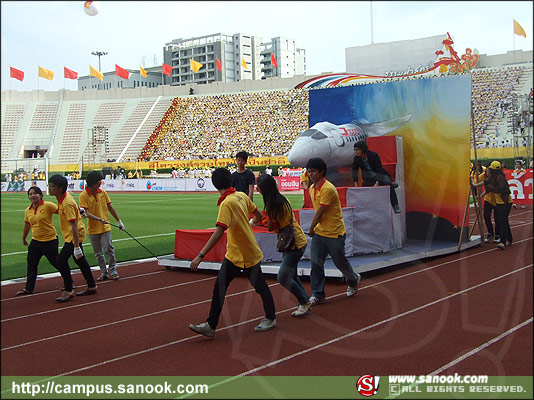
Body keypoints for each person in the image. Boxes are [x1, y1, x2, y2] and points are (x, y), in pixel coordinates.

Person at [188, 168, 277, 338]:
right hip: (237, 253)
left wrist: (200, 255)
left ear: (215, 185)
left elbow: (219, 232)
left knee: (259, 286)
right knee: (221, 287)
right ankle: (211, 325)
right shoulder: (242, 196)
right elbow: (258, 215)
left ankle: (271, 318)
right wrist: (250, 223)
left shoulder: (227, 203)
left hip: (245, 253)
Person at [305, 157, 361, 304]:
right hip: (319, 233)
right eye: (309, 171)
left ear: (322, 171)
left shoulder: (328, 189)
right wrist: (315, 230)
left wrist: (311, 228)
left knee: (340, 262)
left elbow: (320, 212)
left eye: (313, 171)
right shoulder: (312, 188)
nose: (310, 174)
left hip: (334, 233)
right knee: (316, 264)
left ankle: (353, 279)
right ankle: (318, 294)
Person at [256, 174, 311, 317]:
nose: (258, 190)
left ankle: (304, 301)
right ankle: (304, 301)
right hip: (296, 239)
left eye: (259, 187)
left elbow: (270, 227)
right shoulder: (280, 199)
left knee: (282, 276)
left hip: (293, 243)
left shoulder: (272, 205)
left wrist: (260, 220)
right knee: (291, 274)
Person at [48, 174, 98, 302]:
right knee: (80, 260)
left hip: (73, 235)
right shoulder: (63, 199)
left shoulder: (67, 203)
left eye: (52, 186)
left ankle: (69, 289)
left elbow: (74, 225)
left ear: (60, 188)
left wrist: (76, 246)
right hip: (71, 234)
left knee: (61, 260)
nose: (49, 188)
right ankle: (91, 285)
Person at [18, 187, 67, 296]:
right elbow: (27, 225)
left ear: (40, 195)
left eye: (35, 193)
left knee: (56, 262)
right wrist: (24, 237)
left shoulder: (48, 205)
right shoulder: (28, 210)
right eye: (30, 194)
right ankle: (29, 288)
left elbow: (62, 212)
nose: (33, 196)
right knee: (31, 263)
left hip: (50, 240)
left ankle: (68, 282)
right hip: (36, 241)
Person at [79, 170, 125, 281]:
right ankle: (104, 272)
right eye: (99, 180)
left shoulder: (103, 193)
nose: (101, 182)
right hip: (93, 229)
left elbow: (110, 207)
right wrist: (99, 219)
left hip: (105, 227)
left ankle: (113, 270)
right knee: (98, 253)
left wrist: (119, 221)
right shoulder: (83, 195)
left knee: (109, 249)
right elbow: (85, 212)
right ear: (92, 182)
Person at [352, 140, 400, 213]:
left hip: (380, 175)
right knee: (364, 185)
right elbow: (354, 170)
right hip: (369, 178)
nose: (356, 152)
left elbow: (379, 170)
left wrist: (377, 182)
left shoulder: (374, 155)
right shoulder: (357, 158)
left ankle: (395, 205)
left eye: (358, 150)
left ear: (363, 149)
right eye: (355, 150)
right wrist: (355, 182)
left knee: (388, 184)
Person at [483, 161, 513, 250]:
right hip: (499, 202)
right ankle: (510, 238)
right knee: (504, 220)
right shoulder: (493, 177)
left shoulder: (501, 178)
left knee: (502, 221)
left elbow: (500, 189)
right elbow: (486, 182)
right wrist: (475, 185)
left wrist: (490, 187)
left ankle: (502, 242)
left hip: (505, 202)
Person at [471, 167, 500, 243]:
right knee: (486, 216)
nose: (487, 173)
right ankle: (490, 233)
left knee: (497, 218)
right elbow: (478, 182)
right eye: (486, 171)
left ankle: (498, 234)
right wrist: (473, 180)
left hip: (497, 200)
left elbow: (488, 188)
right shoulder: (483, 176)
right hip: (488, 200)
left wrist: (479, 193)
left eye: (488, 171)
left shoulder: (496, 178)